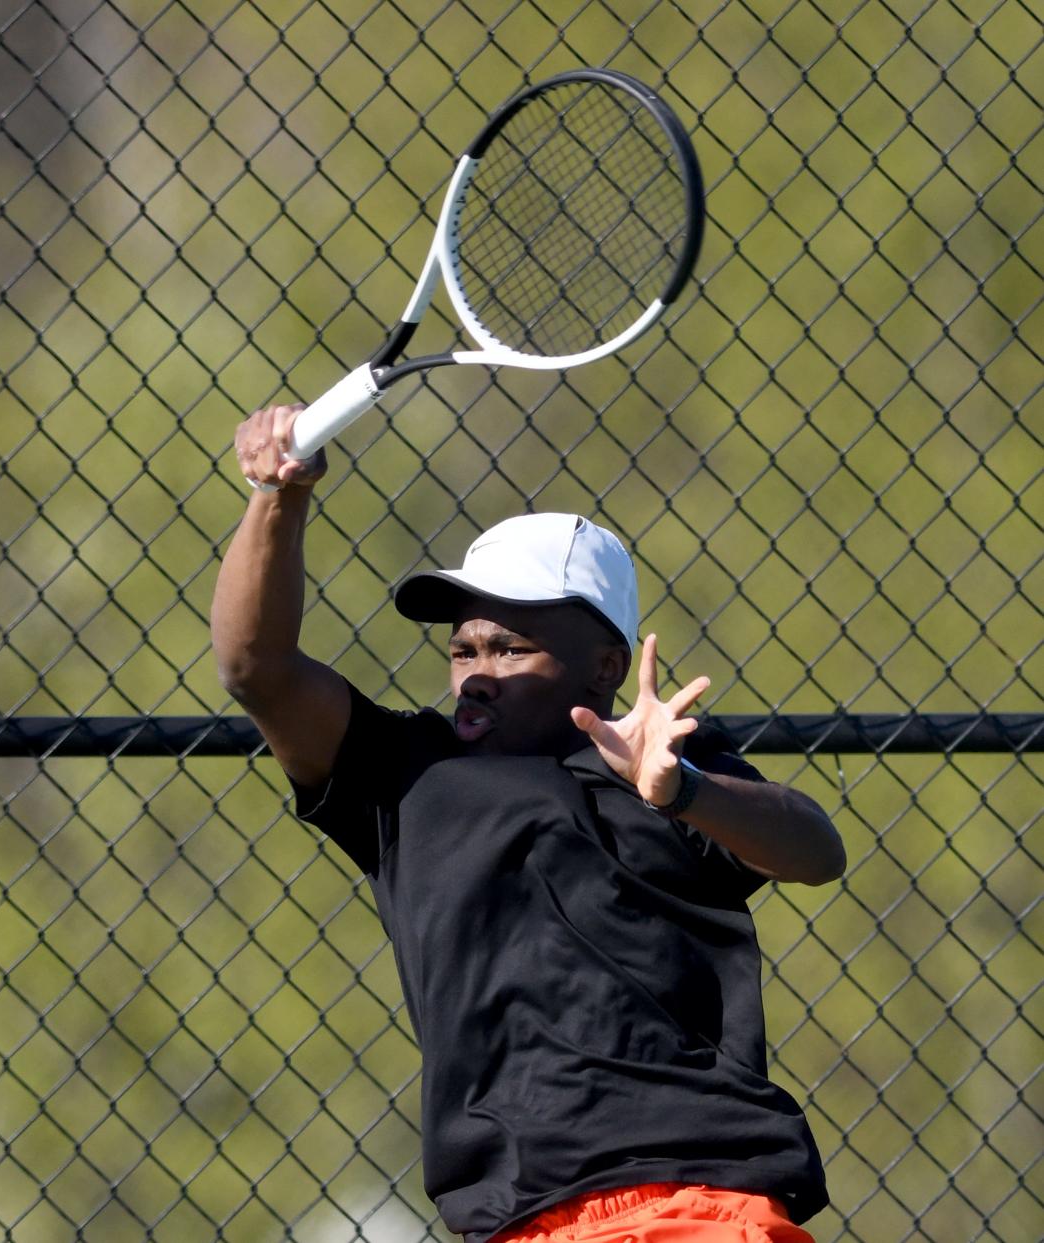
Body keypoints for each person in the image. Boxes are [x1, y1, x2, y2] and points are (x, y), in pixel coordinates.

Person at [213, 403, 847, 1243]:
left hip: (692, 1200)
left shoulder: (663, 772)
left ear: (605, 665)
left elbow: (815, 849)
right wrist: (277, 496)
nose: (476, 672)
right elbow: (257, 667)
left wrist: (684, 789)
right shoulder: (409, 776)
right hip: (515, 1219)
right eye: (463, 648)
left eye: (510, 647)